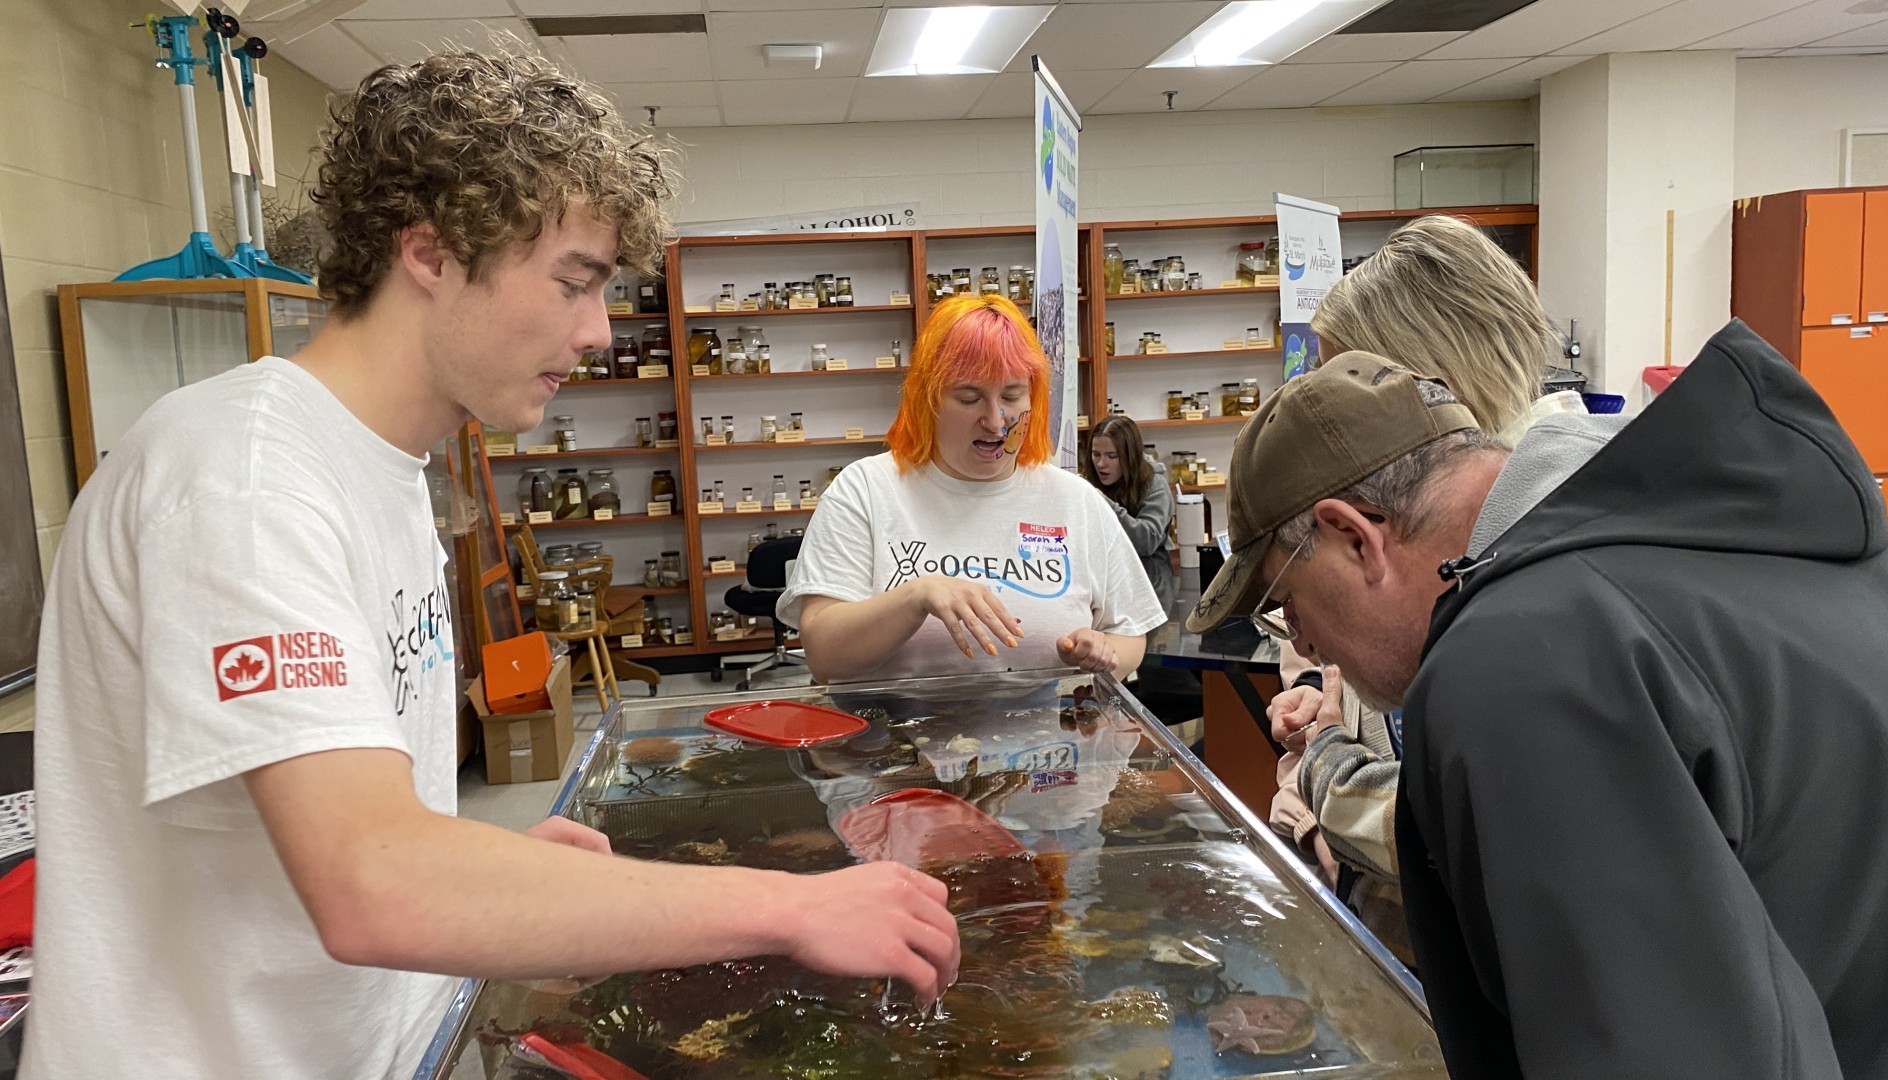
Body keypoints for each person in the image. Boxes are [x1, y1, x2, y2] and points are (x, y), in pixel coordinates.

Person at [27, 52, 958, 1080]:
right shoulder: (244, 478)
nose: (598, 333)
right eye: (572, 284)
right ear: (430, 251)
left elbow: (361, 820)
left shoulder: (383, 470)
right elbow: (376, 880)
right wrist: (795, 907)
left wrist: (503, 881)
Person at [1188, 336, 1888, 1080]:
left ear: (1354, 535)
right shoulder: (1803, 553)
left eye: (1285, 605)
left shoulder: (1523, 662)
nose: (1301, 640)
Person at [1264, 213, 1575, 959]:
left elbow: (1477, 823)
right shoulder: (1422, 524)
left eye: (1350, 386)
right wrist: (1321, 695)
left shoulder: (1544, 546)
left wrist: (1328, 779)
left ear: (1434, 377)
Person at [779, 294, 1166, 683]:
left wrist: (1103, 651)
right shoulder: (865, 490)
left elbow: (1130, 631)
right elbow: (825, 654)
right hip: (893, 738)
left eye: (1012, 396)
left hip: (1050, 737)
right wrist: (915, 598)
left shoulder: (1076, 500)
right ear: (928, 401)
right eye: (970, 398)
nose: (996, 421)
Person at [1311, 213, 1579, 447]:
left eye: (1358, 391)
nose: (1346, 416)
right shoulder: (1551, 450)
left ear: (1443, 367)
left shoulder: (1519, 490)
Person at [1081, 414, 1175, 613]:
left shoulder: (1154, 485)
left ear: (1129, 456)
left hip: (1149, 587)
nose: (1101, 464)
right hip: (1104, 584)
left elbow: (1146, 541)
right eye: (1096, 454)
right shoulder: (1088, 481)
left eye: (1112, 456)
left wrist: (1105, 504)